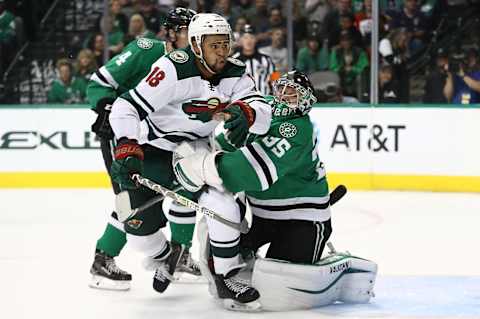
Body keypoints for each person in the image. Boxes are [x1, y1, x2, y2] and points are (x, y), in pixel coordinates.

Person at [173, 71, 376, 311]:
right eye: (283, 89)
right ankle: (229, 275)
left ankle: (340, 266)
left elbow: (246, 171)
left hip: (302, 219)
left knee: (277, 278)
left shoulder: (297, 129)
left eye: (294, 93)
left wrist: (197, 168)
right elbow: (224, 143)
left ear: (307, 100)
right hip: (263, 217)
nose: (285, 95)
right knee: (220, 244)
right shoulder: (262, 109)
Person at [108, 12, 271, 304]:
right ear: (196, 45)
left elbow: (262, 113)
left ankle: (226, 276)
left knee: (221, 202)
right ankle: (165, 254)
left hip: (194, 148)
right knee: (137, 232)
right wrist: (127, 146)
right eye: (214, 45)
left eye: (225, 44)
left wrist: (248, 113)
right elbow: (125, 106)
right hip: (153, 147)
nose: (222, 52)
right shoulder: (173, 69)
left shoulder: (235, 72)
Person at [86, 7, 198, 291]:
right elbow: (99, 83)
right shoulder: (145, 49)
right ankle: (104, 258)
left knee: (184, 187)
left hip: (158, 141)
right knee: (131, 200)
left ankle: (179, 252)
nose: (195, 39)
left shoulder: (196, 63)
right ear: (171, 33)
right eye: (188, 32)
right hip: (124, 137)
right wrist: (106, 108)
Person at [232, 24, 275, 95]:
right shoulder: (234, 61)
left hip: (264, 101)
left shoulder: (267, 59)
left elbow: (275, 77)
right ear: (241, 40)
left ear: (256, 39)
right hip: (242, 102)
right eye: (245, 38)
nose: (249, 41)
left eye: (252, 37)